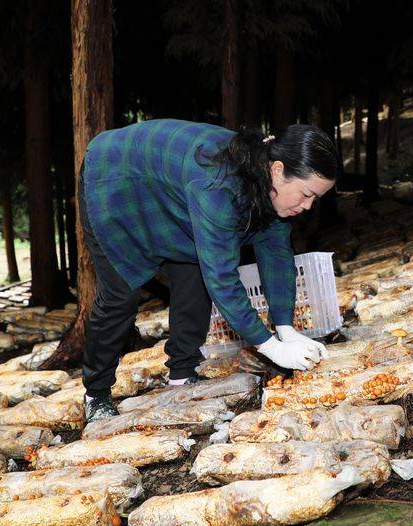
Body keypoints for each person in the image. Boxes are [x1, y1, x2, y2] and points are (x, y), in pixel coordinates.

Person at [78, 120, 336, 421]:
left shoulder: (266, 183)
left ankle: (182, 372)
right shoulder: (217, 185)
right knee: (120, 295)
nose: (307, 206)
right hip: (116, 180)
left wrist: (285, 327)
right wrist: (269, 346)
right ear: (277, 169)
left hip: (170, 187)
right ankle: (95, 394)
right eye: (306, 194)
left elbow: (277, 252)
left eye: (315, 199)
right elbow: (223, 279)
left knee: (193, 268)